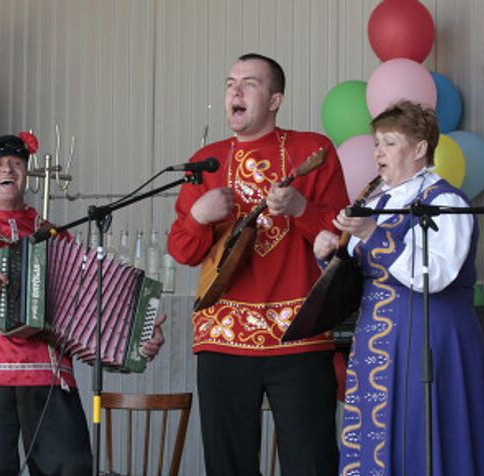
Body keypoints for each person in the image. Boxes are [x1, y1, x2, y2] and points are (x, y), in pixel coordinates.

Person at [0, 132, 166, 476]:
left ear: (25, 175)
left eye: (16, 163)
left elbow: (88, 310)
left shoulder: (55, 237)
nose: (8, 168)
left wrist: (138, 337)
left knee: (69, 468)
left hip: (47, 372)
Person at [167, 53, 349, 475]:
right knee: (227, 463)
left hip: (299, 333)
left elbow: (342, 239)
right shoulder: (206, 161)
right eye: (231, 82)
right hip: (223, 335)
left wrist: (301, 207)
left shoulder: (312, 149)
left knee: (312, 460)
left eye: (249, 83)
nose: (236, 90)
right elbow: (183, 251)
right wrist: (199, 217)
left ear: (275, 100)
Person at [314, 100, 484, 475]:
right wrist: (332, 254)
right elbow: (365, 274)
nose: (378, 152)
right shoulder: (378, 200)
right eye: (376, 143)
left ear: (420, 148)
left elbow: (433, 275)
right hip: (379, 342)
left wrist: (373, 234)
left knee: (421, 437)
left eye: (390, 142)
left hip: (428, 340)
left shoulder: (444, 201)